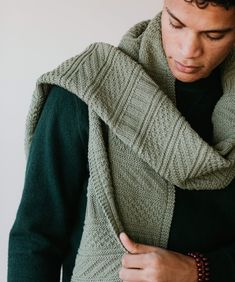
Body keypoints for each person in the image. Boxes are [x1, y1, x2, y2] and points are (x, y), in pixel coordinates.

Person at [8, 0, 235, 281]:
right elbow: (36, 235)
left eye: (214, 35)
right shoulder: (88, 90)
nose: (188, 50)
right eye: (176, 24)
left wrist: (199, 270)